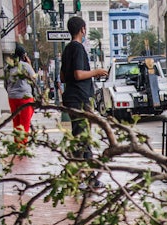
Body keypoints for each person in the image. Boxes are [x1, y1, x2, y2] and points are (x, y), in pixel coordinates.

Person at [60, 16, 107, 187]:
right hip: (80, 98)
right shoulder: (78, 48)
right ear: (83, 29)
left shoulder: (67, 50)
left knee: (80, 137)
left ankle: (87, 177)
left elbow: (63, 76)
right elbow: (78, 74)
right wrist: (96, 72)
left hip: (71, 97)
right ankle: (82, 178)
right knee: (82, 138)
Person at [5, 44, 37, 146]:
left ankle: (17, 143)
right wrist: (29, 64)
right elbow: (34, 78)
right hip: (25, 97)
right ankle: (22, 144)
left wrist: (11, 91)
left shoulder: (8, 67)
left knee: (16, 121)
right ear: (23, 55)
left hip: (12, 97)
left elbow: (5, 83)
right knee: (25, 121)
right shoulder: (26, 66)